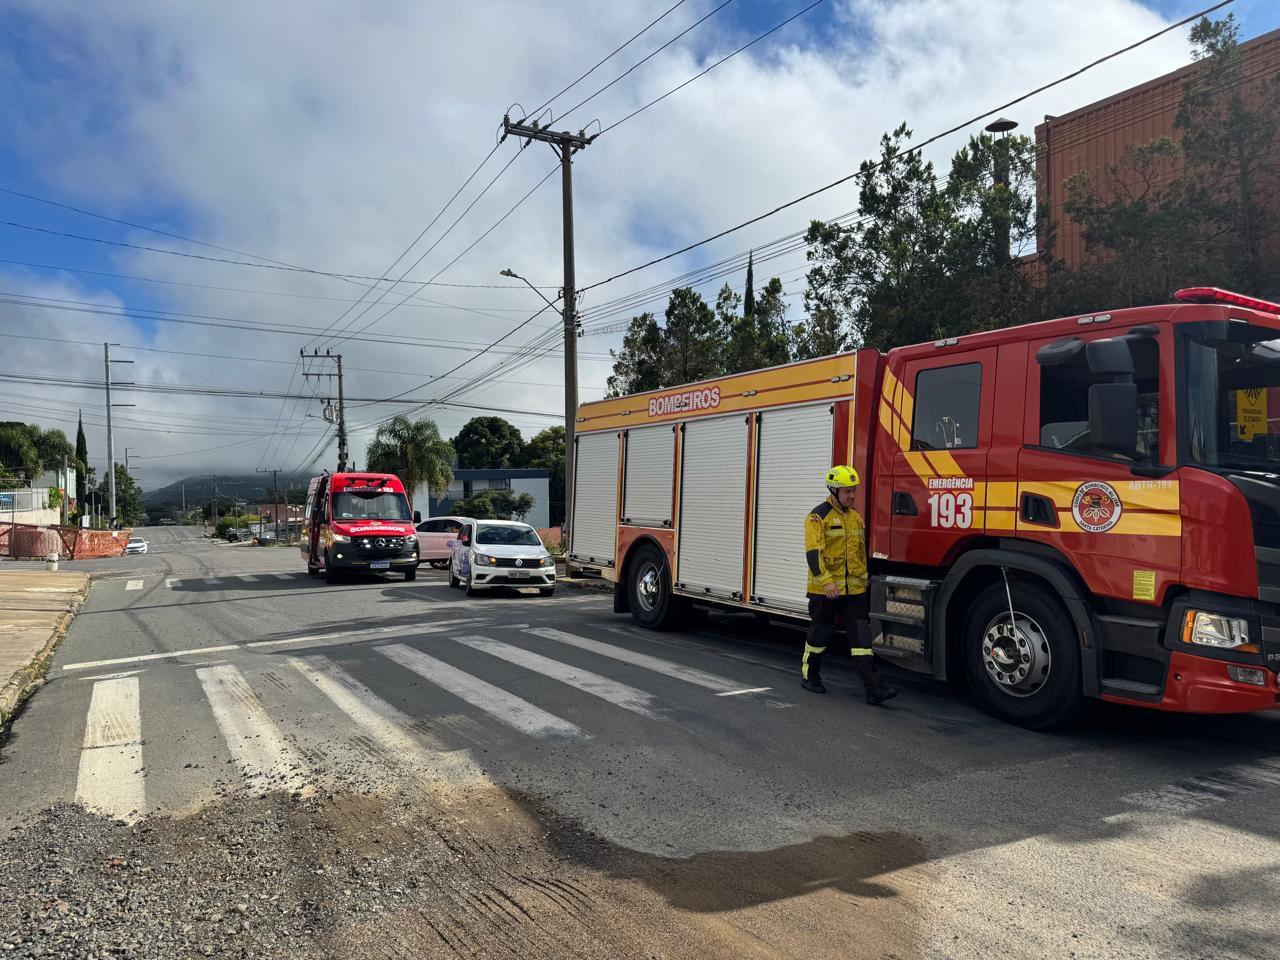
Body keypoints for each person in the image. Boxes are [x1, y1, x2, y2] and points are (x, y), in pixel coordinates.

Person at [801, 465, 898, 705]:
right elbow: (813, 554)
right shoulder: (818, 516)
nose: (852, 496)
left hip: (853, 592)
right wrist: (826, 582)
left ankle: (874, 689)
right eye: (847, 492)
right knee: (820, 636)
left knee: (862, 641)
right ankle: (810, 676)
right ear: (833, 490)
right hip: (825, 591)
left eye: (853, 491)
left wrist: (863, 583)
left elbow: (859, 555)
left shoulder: (855, 517)